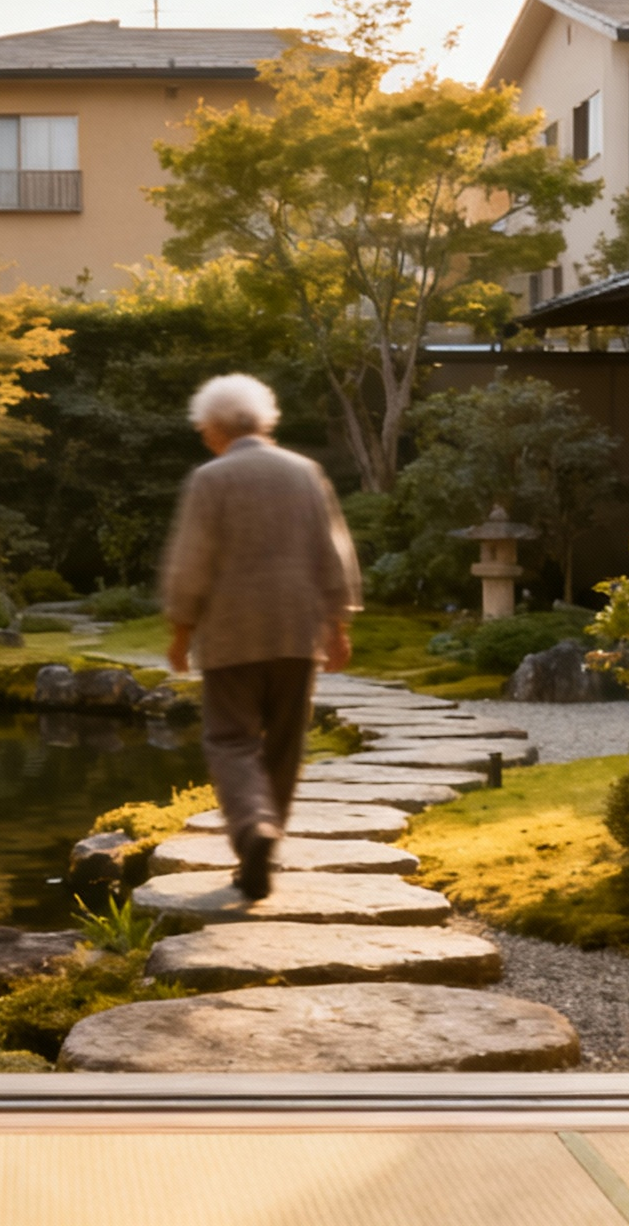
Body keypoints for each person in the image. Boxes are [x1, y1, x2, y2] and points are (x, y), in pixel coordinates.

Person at [160, 373, 360, 901]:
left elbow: (190, 565)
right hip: (296, 630)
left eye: (205, 429)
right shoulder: (305, 473)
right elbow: (333, 553)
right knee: (286, 742)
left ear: (216, 429)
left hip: (230, 634)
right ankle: (265, 843)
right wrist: (336, 624)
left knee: (229, 738)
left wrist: (181, 631)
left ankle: (253, 828)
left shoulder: (211, 479)